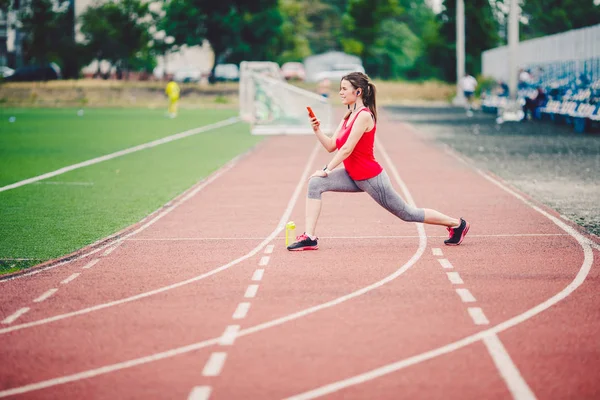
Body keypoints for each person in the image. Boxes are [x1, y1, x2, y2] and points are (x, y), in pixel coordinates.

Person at [287, 72, 470, 251]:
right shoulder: (348, 115)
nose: (340, 92)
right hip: (353, 175)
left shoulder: (364, 116)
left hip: (370, 178)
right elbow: (331, 145)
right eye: (340, 89)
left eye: (344, 89)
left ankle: (457, 224)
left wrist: (326, 169)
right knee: (315, 183)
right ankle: (309, 238)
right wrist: (317, 130)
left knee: (407, 213)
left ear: (358, 92)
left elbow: (347, 149)